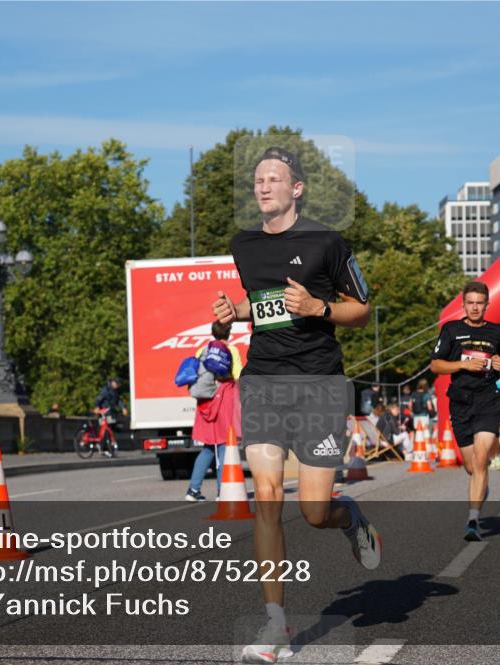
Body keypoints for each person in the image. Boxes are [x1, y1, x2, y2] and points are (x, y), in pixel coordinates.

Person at [212, 146, 380, 664]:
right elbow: (256, 305)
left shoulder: (327, 242)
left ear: (296, 188)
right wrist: (228, 316)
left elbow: (363, 309)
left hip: (319, 384)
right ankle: (277, 627)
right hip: (262, 380)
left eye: (274, 179)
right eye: (258, 180)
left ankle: (347, 516)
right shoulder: (243, 245)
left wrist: (319, 307)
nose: (263, 187)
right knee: (266, 497)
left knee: (312, 511)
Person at [430, 281, 500, 542]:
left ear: (487, 304)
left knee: (480, 459)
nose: (475, 307)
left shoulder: (497, 331)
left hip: (488, 401)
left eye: (480, 303)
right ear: (463, 305)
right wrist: (463, 366)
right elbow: (436, 365)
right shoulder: (451, 330)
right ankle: (480, 483)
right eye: (471, 303)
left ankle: (472, 521)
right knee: (471, 466)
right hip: (461, 402)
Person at [185, 320, 243, 502]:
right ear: (229, 332)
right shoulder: (232, 351)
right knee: (226, 446)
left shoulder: (202, 351)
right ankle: (222, 491)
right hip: (225, 400)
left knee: (208, 447)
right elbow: (238, 376)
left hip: (206, 402)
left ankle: (193, 490)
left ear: (212, 333)